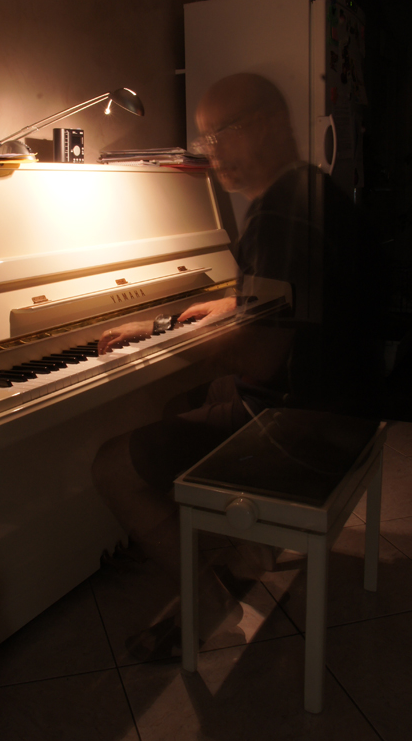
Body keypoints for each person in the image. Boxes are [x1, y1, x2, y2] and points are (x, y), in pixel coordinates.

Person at [91, 73, 381, 657]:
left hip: (306, 432)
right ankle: (245, 550)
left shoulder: (277, 215)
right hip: (349, 408)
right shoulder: (310, 190)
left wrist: (160, 341)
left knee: (112, 466)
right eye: (205, 137)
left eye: (222, 132)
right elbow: (293, 299)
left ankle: (209, 606)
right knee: (181, 403)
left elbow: (259, 358)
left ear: (268, 125)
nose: (210, 151)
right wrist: (225, 307)